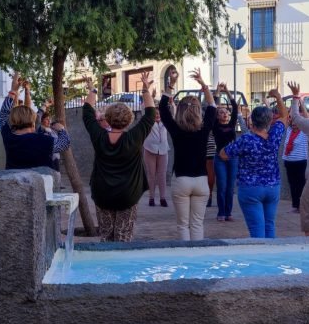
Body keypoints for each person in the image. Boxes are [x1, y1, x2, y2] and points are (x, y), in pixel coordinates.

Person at [83, 72, 156, 242]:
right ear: (129, 120)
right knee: (123, 238)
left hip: (102, 193)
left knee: (106, 237)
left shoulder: (98, 136)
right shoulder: (135, 137)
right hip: (128, 194)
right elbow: (150, 114)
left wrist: (93, 90)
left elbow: (87, 112)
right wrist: (145, 89)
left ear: (107, 119)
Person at [221, 88, 287, 238]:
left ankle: (260, 253)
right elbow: (284, 116)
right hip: (272, 187)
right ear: (269, 121)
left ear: (252, 120)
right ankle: (271, 252)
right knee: (269, 225)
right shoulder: (275, 135)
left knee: (257, 229)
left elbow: (223, 155)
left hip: (250, 188)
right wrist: (278, 97)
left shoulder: (246, 139)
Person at [160, 68, 216, 241]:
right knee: (197, 223)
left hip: (181, 179)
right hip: (201, 180)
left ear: (180, 110)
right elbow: (212, 107)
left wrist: (171, 84)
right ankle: (198, 255)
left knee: (183, 224)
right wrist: (204, 86)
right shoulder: (204, 129)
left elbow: (162, 108)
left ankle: (185, 255)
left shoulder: (176, 129)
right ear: (198, 111)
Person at [0, 74, 70, 170]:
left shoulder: (8, 135)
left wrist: (13, 91)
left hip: (13, 178)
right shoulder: (42, 140)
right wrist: (61, 129)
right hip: (39, 179)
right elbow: (64, 144)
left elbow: (3, 113)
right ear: (33, 121)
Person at [212, 83, 239, 221]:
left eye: (226, 112)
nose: (224, 114)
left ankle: (228, 213)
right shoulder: (215, 125)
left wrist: (227, 91)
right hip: (219, 158)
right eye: (221, 112)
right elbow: (212, 107)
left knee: (230, 187)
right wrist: (218, 91)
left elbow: (235, 107)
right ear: (217, 116)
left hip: (233, 158)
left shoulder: (232, 124)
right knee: (222, 186)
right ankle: (221, 212)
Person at [143, 107, 170, 207]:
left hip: (163, 150)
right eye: (155, 114)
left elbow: (172, 114)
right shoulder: (148, 122)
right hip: (149, 150)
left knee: (162, 175)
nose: (157, 115)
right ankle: (151, 198)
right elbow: (144, 110)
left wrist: (172, 104)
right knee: (151, 175)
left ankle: (163, 198)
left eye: (158, 114)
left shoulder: (165, 122)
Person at [283, 114, 308, 213]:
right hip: (289, 162)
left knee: (301, 185)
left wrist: (299, 105)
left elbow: (306, 117)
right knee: (292, 185)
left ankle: (302, 206)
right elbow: (284, 116)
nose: (294, 124)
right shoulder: (289, 131)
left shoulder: (304, 132)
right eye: (292, 122)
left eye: (296, 123)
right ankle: (296, 205)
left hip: (301, 162)